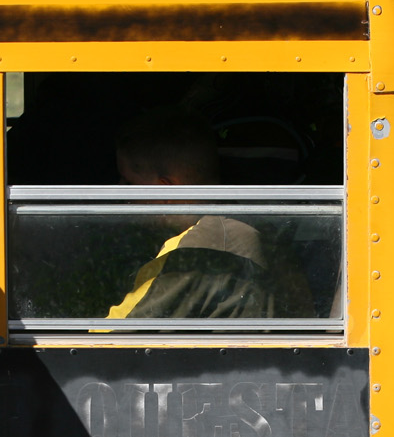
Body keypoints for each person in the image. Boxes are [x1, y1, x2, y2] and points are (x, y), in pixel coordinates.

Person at [105, 108, 280, 320]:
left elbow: (113, 336)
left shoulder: (194, 251)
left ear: (164, 189)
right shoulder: (248, 229)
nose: (120, 191)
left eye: (129, 182)